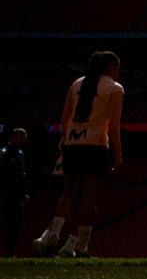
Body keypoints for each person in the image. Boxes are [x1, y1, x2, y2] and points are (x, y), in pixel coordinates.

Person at [33, 51, 124, 258]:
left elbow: (64, 118)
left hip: (73, 144)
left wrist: (65, 142)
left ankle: (51, 233)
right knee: (88, 200)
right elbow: (114, 126)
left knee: (68, 194)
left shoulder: (77, 84)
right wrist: (118, 155)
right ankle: (76, 246)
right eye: (117, 68)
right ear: (111, 67)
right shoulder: (115, 88)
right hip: (95, 145)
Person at [1, 128, 28, 256]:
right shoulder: (4, 152)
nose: (23, 139)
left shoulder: (21, 153)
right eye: (20, 136)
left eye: (24, 137)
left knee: (15, 226)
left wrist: (23, 193)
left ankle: (11, 253)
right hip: (5, 194)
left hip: (17, 196)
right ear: (13, 137)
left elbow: (21, 176)